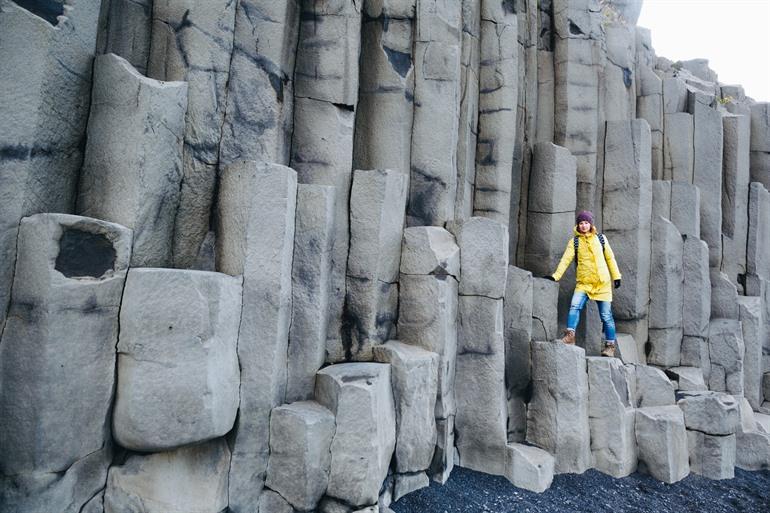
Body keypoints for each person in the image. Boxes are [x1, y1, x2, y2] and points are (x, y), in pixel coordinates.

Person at [544, 210, 622, 357]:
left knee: (606, 316)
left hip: (602, 283)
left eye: (586, 223)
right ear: (578, 225)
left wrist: (616, 276)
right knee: (574, 306)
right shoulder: (574, 242)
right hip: (584, 283)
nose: (584, 225)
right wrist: (556, 276)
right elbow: (565, 260)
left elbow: (610, 258)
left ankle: (610, 346)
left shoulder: (601, 239)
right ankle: (570, 336)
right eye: (581, 223)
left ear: (591, 224)